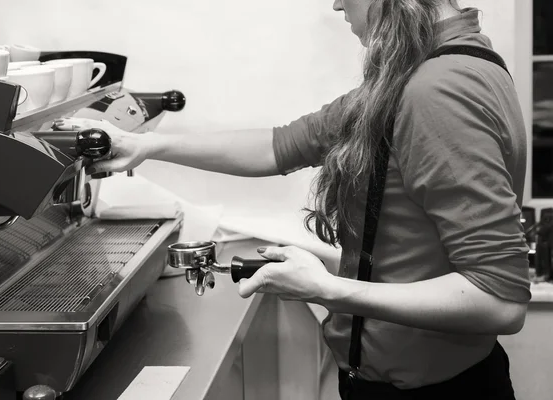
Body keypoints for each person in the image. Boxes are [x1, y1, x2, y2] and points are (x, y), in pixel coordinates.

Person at [56, 1, 530, 399]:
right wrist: (147, 146)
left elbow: (497, 299)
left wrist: (326, 288)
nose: (337, 4)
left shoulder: (438, 88)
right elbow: (279, 146)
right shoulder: (429, 71)